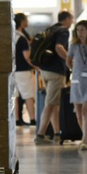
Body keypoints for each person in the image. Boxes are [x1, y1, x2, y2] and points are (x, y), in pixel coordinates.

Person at [35, 11, 74, 145]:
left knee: (54, 103)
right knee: (50, 103)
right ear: (67, 19)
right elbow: (59, 48)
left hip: (45, 70)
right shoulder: (64, 31)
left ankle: (57, 134)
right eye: (71, 19)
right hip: (56, 72)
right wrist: (70, 60)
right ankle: (40, 135)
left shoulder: (51, 29)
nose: (72, 22)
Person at [67, 20, 87, 150]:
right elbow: (68, 61)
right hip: (77, 81)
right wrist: (74, 71)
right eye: (78, 30)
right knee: (79, 113)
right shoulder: (73, 46)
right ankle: (84, 135)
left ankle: (85, 139)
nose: (80, 33)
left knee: (86, 110)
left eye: (82, 30)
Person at [13, 13, 36, 127]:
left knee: (15, 96)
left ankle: (16, 120)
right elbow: (27, 57)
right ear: (21, 22)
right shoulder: (22, 39)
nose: (27, 22)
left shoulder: (12, 36)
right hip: (23, 70)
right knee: (28, 95)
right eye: (26, 20)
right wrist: (36, 66)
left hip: (12, 71)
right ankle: (33, 119)